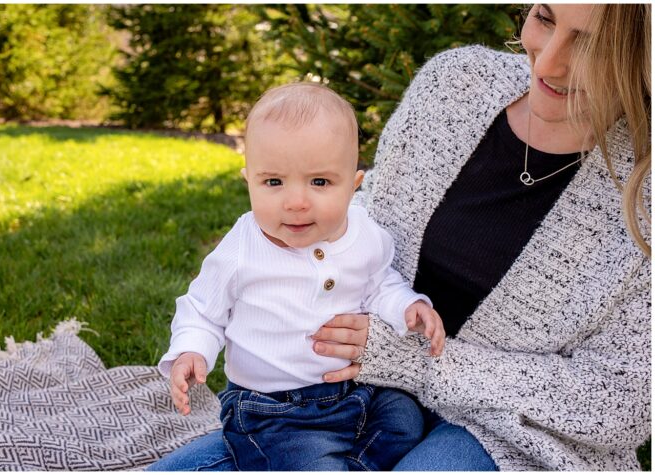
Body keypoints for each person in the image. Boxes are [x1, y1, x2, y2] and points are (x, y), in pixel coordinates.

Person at [149, 4, 650, 471]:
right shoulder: (456, 85)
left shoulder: (645, 195)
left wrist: (409, 358)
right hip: (333, 393)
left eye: (590, 45)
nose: (548, 63)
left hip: (507, 432)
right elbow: (369, 224)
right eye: (544, 18)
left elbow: (624, 404)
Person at [159, 83, 445, 471]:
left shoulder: (364, 232)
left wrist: (407, 306)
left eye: (320, 182)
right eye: (273, 182)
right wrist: (191, 350)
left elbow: (379, 284)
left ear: (353, 186)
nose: (295, 202)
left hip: (355, 393)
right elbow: (203, 310)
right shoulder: (243, 247)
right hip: (272, 411)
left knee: (405, 420)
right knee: (307, 461)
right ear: (249, 181)